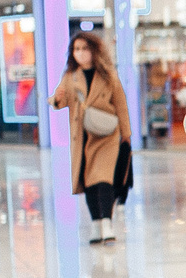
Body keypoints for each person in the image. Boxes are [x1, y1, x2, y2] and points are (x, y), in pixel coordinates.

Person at [50, 30, 131, 243]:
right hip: (83, 136)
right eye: (76, 49)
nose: (81, 53)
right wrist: (56, 99)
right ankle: (96, 225)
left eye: (85, 48)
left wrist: (126, 134)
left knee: (103, 178)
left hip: (106, 135)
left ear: (94, 50)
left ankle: (107, 224)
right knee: (88, 182)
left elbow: (121, 104)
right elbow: (60, 99)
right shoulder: (70, 77)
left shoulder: (108, 75)